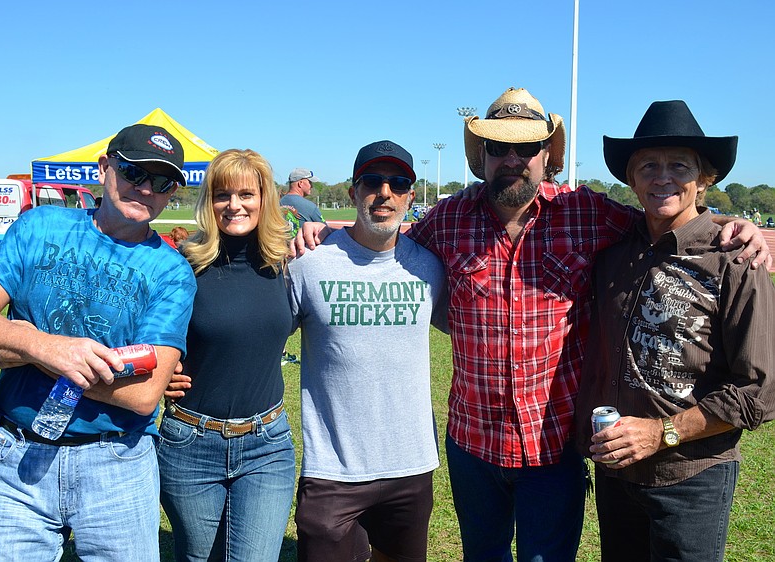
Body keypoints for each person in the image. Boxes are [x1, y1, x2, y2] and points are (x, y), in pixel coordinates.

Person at [294, 88, 771, 561]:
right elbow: (383, 244)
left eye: (526, 148)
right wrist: (325, 237)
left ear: (548, 156)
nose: (512, 159)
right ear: (481, 156)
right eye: (498, 148)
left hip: (554, 445)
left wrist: (726, 223)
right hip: (473, 443)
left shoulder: (587, 213)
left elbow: (665, 218)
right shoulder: (447, 218)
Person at [0, 123, 196, 561]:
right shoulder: (40, 227)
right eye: (134, 172)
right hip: (17, 458)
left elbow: (143, 393)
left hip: (117, 464)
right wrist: (44, 345)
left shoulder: (172, 272)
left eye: (162, 182)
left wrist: (26, 347)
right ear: (104, 168)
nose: (145, 189)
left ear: (172, 193)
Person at [575, 100, 775, 561]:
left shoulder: (735, 262)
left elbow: (759, 392)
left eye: (679, 166)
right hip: (618, 472)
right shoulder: (615, 252)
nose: (662, 177)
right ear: (631, 179)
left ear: (704, 179)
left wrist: (661, 433)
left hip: (691, 476)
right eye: (648, 166)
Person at [288, 140, 447, 561]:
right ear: (355, 191)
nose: (385, 193)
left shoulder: (429, 267)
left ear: (411, 196)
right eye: (373, 182)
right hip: (332, 470)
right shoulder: (309, 261)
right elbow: (259, 333)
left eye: (398, 183)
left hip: (410, 466)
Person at [157, 149, 296, 562]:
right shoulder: (183, 266)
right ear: (209, 202)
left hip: (266, 444)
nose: (234, 205)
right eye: (222, 195)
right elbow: (137, 333)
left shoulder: (287, 262)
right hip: (189, 444)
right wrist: (156, 373)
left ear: (264, 198)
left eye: (246, 194)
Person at [281, 167, 326, 231]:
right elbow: (325, 231)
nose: (312, 186)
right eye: (310, 182)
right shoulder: (310, 207)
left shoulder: (277, 203)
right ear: (300, 183)